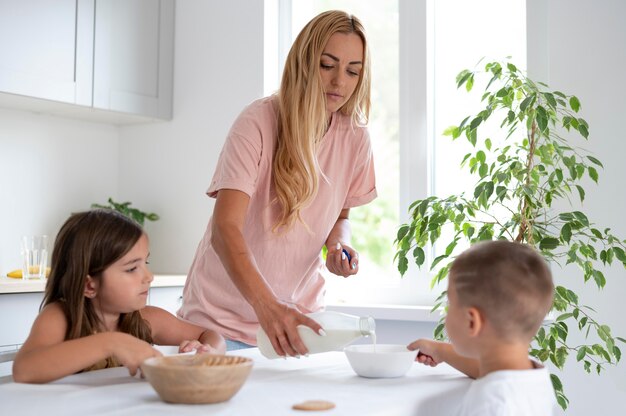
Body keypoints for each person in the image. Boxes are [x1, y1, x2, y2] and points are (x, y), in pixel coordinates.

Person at [178, 10, 376, 356]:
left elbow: (340, 216)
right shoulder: (258, 122)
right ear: (303, 62)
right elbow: (226, 228)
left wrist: (336, 247)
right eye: (327, 65)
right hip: (222, 326)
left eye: (352, 71)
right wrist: (266, 306)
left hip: (298, 323)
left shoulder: (356, 138)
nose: (339, 82)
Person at [12, 209, 225, 383]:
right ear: (89, 285)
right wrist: (111, 342)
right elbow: (24, 370)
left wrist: (209, 351)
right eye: (132, 269)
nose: (148, 277)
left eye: (145, 263)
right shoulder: (60, 318)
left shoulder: (146, 318)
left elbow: (209, 334)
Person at [408, 240, 557, 415]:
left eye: (450, 305)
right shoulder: (528, 373)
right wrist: (439, 350)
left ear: (472, 321)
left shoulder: (492, 406)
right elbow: (482, 369)